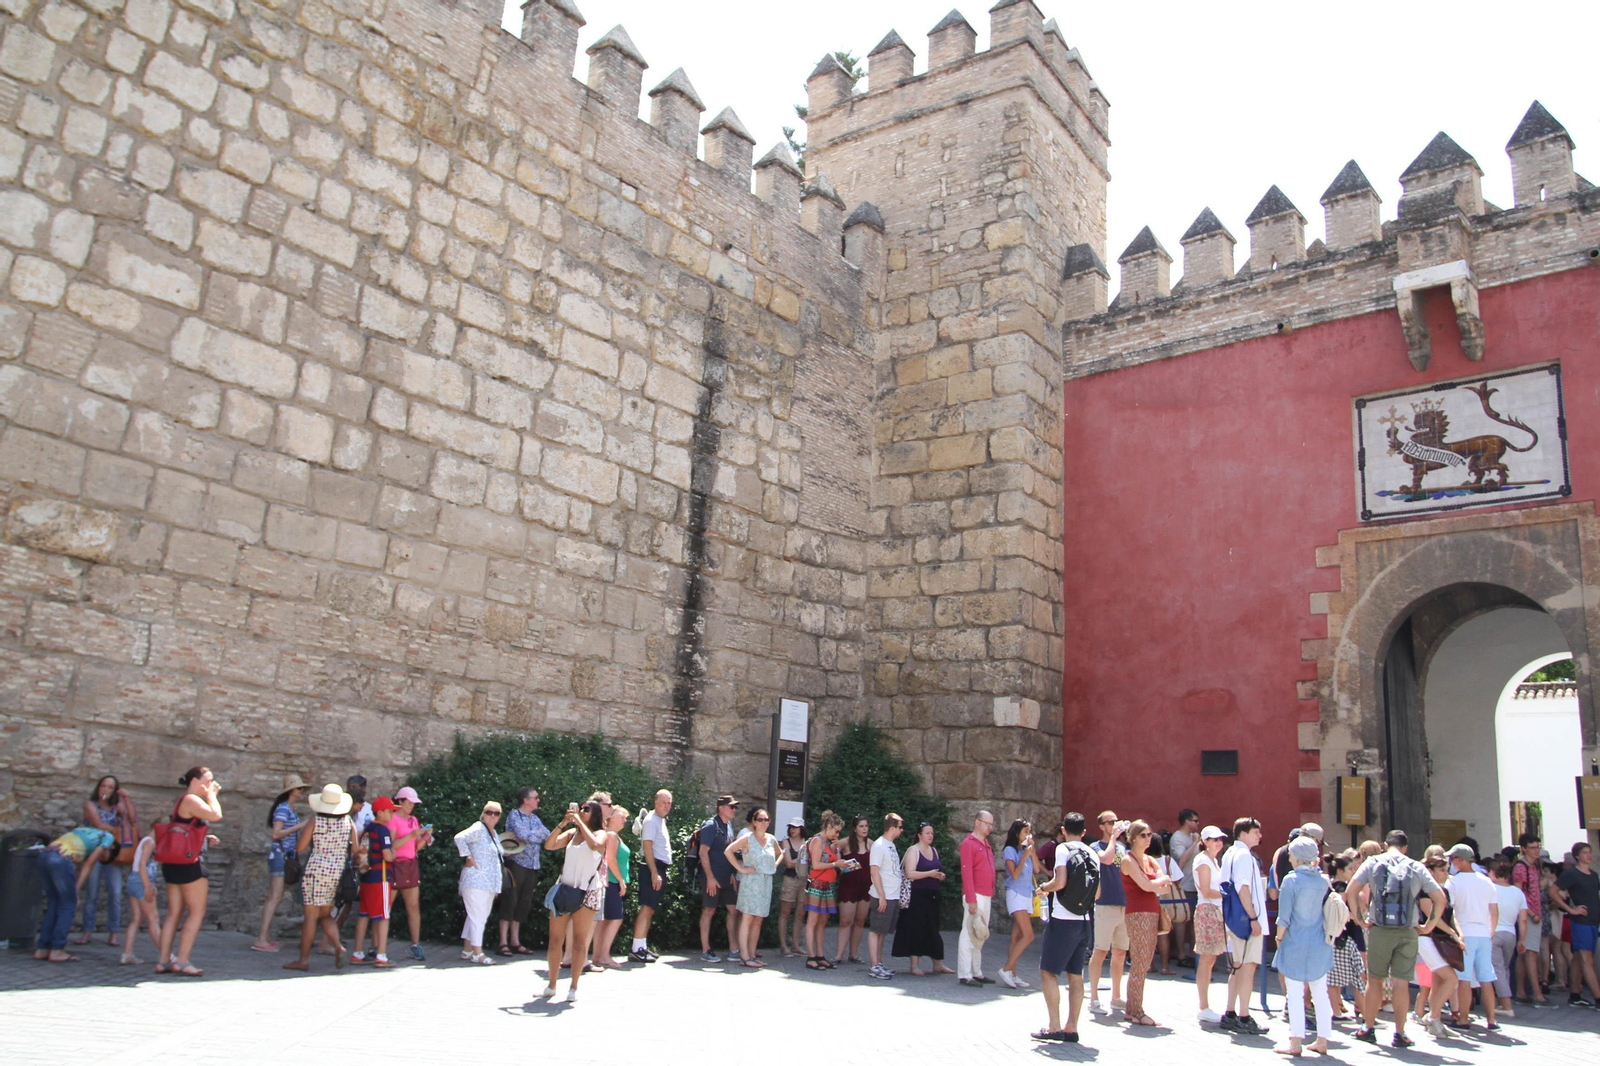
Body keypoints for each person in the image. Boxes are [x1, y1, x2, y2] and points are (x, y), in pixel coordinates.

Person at [1345, 829, 1447, 1047]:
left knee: (1375, 980)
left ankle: (1368, 1028)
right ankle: (1400, 1033)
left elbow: (1351, 891)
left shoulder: (1373, 862)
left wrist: (1359, 918)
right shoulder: (1416, 866)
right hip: (1408, 931)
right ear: (1406, 847)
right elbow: (1440, 898)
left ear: (1384, 844)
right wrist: (1428, 926)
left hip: (1379, 929)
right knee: (1401, 983)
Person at [1032, 814, 1095, 1043]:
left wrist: (1043, 888)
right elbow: (1097, 892)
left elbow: (1060, 882)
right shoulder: (1093, 853)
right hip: (1085, 919)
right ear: (1084, 832)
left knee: (1048, 971)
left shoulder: (1063, 849)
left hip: (1063, 918)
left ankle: (1054, 1026)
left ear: (1064, 830)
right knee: (1076, 975)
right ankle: (1072, 1028)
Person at [539, 799, 608, 1004]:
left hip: (587, 892)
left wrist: (580, 822)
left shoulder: (600, 834)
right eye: (581, 808)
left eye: (586, 809)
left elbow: (596, 846)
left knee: (579, 941)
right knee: (555, 940)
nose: (582, 811)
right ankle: (552, 985)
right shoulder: (571, 834)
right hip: (565, 888)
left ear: (594, 814)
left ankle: (573, 986)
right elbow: (549, 845)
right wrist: (564, 823)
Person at [156, 766, 222, 977]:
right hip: (189, 863)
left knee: (174, 912)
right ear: (195, 780)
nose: (211, 784)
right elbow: (215, 815)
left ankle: (164, 961)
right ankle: (182, 961)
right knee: (196, 911)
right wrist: (213, 796)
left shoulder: (182, 802)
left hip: (173, 862)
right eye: (208, 780)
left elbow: (186, 828)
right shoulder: (192, 800)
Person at [283, 783, 357, 971]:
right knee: (325, 914)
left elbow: (300, 847)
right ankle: (338, 946)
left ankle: (303, 960)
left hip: (316, 870)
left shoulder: (316, 821)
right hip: (336, 872)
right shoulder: (349, 822)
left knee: (310, 916)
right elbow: (355, 851)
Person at [1273, 837, 1334, 1056]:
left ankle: (1296, 1042)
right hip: (1319, 941)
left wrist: (1279, 939)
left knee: (1295, 993)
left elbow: (1284, 917)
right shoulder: (1322, 881)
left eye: (1291, 854)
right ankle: (1322, 1040)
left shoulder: (1291, 880)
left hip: (1295, 942)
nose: (1289, 857)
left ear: (1297, 857)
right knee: (1320, 992)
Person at [33, 826, 118, 962]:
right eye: (104, 857)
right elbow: (88, 865)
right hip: (61, 858)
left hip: (45, 855)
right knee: (68, 905)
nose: (101, 857)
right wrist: (75, 891)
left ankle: (42, 949)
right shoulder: (108, 838)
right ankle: (57, 950)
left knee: (54, 903)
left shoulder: (86, 830)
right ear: (112, 848)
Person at [1119, 819, 1171, 1027]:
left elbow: (1164, 887)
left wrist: (1155, 883)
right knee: (1140, 962)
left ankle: (1133, 1009)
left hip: (1152, 911)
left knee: (1144, 961)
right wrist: (1157, 882)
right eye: (1143, 835)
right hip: (1137, 912)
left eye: (1149, 835)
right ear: (1132, 837)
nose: (1148, 839)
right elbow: (1147, 885)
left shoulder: (1150, 860)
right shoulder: (1128, 860)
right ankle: (1135, 1010)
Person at [1220, 816, 1268, 1034]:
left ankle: (1230, 1013)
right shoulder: (1244, 856)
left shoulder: (1230, 853)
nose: (1260, 836)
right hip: (1245, 919)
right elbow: (1243, 887)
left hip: (1233, 916)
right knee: (1248, 967)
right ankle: (1244, 1016)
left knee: (1238, 966)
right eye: (1256, 832)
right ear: (1244, 833)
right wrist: (1253, 917)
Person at [1446, 842, 1500, 1028]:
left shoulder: (1453, 882)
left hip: (1466, 934)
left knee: (1465, 979)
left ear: (1461, 860)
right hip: (1484, 933)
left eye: (1453, 859)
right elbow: (1494, 910)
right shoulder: (1486, 881)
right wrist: (1491, 931)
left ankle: (1463, 1018)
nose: (1451, 862)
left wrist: (1456, 933)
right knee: (1486, 978)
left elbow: (1451, 911)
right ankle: (1491, 1020)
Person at [253, 774, 307, 952]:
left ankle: (265, 937)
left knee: (275, 896)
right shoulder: (284, 809)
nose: (302, 791)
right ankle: (261, 939)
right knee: (274, 897)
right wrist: (300, 826)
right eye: (299, 788)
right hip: (280, 855)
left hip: (284, 855)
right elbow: (276, 833)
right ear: (291, 790)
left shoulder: (287, 808)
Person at [1414, 851, 1465, 1038]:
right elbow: (1431, 916)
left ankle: (1436, 1021)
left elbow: (1452, 916)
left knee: (1438, 981)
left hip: (1441, 940)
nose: (1446, 873)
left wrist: (1459, 934)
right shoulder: (1424, 890)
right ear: (1431, 871)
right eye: (1442, 870)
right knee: (1451, 979)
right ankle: (1432, 1017)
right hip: (1427, 938)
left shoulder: (1443, 891)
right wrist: (1453, 933)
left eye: (1447, 870)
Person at [78, 775, 133, 946]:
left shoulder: (117, 806)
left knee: (115, 893)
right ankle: (87, 932)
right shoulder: (90, 805)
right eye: (103, 786)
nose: (106, 790)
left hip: (113, 854)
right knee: (91, 894)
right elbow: (99, 825)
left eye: (110, 787)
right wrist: (119, 831)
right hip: (95, 851)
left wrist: (126, 800)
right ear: (98, 787)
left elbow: (132, 821)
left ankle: (113, 932)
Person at [893, 822, 954, 975]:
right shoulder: (913, 851)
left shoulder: (934, 850)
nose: (930, 836)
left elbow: (936, 870)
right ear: (919, 835)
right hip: (917, 895)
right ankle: (914, 966)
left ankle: (938, 963)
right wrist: (929, 874)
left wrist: (939, 876)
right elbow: (910, 874)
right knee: (916, 928)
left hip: (933, 895)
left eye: (932, 833)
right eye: (927, 833)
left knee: (933, 928)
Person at [497, 786, 551, 957]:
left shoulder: (534, 818)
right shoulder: (515, 815)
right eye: (535, 797)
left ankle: (515, 941)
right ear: (525, 800)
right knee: (510, 900)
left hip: (532, 865)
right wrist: (534, 835)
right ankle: (502, 942)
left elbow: (547, 835)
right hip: (517, 863)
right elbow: (522, 835)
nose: (538, 800)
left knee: (523, 903)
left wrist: (530, 835)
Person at [1087, 811, 1129, 1013]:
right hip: (1105, 904)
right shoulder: (1096, 847)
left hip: (1123, 904)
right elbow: (1106, 859)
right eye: (1110, 822)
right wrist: (1113, 838)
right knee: (1101, 951)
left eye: (1116, 820)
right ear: (1102, 826)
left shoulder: (1122, 847)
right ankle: (1094, 997)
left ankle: (1116, 996)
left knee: (1120, 951)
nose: (1115, 824)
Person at [726, 806, 779, 968]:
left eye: (766, 820)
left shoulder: (771, 839)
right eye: (760, 819)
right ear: (754, 822)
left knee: (758, 919)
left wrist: (774, 866)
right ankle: (744, 956)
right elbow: (728, 851)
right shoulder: (747, 838)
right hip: (751, 882)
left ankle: (752, 954)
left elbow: (780, 853)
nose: (764, 822)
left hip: (765, 883)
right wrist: (741, 869)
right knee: (748, 918)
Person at [454, 800, 504, 965]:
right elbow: (459, 838)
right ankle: (478, 953)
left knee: (474, 916)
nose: (492, 816)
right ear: (483, 813)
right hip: (476, 880)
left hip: (488, 883)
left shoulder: (494, 834)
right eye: (489, 812)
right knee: (478, 917)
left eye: (496, 813)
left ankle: (467, 949)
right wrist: (467, 856)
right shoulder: (479, 828)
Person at [386, 786, 432, 961]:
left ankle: (416, 944)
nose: (412, 805)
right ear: (400, 801)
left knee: (413, 907)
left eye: (414, 803)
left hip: (411, 864)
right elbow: (391, 845)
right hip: (396, 865)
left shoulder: (413, 820)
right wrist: (411, 835)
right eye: (409, 802)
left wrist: (425, 837)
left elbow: (415, 848)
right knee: (386, 907)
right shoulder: (393, 819)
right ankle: (377, 946)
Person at [350, 796, 397, 967]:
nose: (392, 814)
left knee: (364, 915)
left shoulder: (367, 828)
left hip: (366, 876)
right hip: (381, 877)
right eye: (390, 811)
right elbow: (387, 856)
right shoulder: (383, 830)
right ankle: (382, 955)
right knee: (384, 916)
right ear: (381, 812)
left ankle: (357, 952)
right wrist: (393, 853)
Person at [697, 794, 742, 963]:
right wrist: (709, 878)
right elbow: (703, 852)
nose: (734, 810)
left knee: (733, 910)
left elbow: (728, 852)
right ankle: (706, 950)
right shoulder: (711, 826)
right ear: (721, 808)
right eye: (732, 807)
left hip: (726, 878)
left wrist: (731, 873)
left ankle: (734, 949)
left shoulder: (728, 826)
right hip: (712, 878)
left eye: (735, 807)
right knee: (709, 911)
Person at [1192, 824, 1229, 1023]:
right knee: (1207, 958)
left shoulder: (1214, 861)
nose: (1218, 842)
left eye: (1220, 839)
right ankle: (1203, 1006)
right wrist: (1229, 894)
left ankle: (1205, 1005)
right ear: (1205, 842)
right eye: (1214, 839)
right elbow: (1206, 891)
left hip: (1215, 910)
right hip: (1207, 910)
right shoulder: (1203, 860)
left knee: (1211, 958)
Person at [1556, 841, 1600, 1006]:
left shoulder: (1594, 875)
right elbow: (1554, 892)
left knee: (1578, 958)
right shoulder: (1571, 874)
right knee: (1586, 958)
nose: (1589, 855)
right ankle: (1598, 998)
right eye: (1585, 853)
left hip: (1593, 921)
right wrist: (1570, 909)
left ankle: (1575, 994)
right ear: (1577, 856)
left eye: (1590, 852)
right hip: (1580, 921)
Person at [631, 789, 672, 963]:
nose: (667, 806)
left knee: (651, 908)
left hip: (657, 868)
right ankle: (636, 948)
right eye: (664, 802)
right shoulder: (651, 820)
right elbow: (647, 847)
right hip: (651, 868)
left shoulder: (659, 820)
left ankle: (642, 946)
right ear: (655, 802)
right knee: (646, 907)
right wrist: (654, 873)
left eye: (669, 803)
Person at [589, 805, 631, 969]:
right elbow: (611, 860)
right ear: (612, 817)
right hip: (611, 881)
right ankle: (604, 955)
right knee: (615, 918)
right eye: (622, 816)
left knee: (604, 920)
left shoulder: (612, 835)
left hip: (610, 881)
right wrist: (621, 879)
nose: (625, 820)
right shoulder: (611, 836)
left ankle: (598, 956)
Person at [957, 809, 997, 987]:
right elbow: (966, 873)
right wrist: (971, 899)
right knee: (968, 933)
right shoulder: (969, 843)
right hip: (976, 894)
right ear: (977, 822)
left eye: (991, 824)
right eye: (987, 824)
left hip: (985, 893)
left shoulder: (985, 843)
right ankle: (965, 973)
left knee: (979, 934)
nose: (990, 827)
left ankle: (976, 971)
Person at [804, 810, 848, 970]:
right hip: (817, 883)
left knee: (822, 921)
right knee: (813, 921)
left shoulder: (830, 843)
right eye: (836, 831)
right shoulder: (817, 840)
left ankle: (820, 955)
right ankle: (811, 956)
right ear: (829, 826)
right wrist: (836, 864)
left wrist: (837, 851)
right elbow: (816, 865)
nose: (837, 834)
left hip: (828, 883)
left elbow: (835, 861)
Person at [866, 812, 904, 980]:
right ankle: (874, 966)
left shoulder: (890, 845)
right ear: (892, 828)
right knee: (875, 930)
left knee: (882, 932)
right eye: (900, 827)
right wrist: (881, 895)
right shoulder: (879, 845)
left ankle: (879, 963)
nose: (902, 830)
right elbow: (874, 872)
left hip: (892, 895)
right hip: (883, 895)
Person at [1510, 833, 1547, 1004]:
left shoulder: (1534, 866)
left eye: (1538, 847)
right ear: (1523, 849)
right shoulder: (1521, 867)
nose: (1536, 851)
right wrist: (1531, 913)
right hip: (1529, 915)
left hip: (1535, 913)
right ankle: (1536, 992)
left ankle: (1521, 991)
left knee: (1525, 953)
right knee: (1531, 953)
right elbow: (1518, 893)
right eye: (1532, 848)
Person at [999, 818, 1036, 989]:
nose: (1027, 835)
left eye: (1029, 832)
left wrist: (1031, 851)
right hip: (1015, 894)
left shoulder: (1025, 850)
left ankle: (1012, 974)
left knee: (1017, 936)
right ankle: (1006, 969)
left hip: (1027, 894)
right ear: (1016, 833)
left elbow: (1036, 869)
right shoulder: (1009, 850)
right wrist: (1025, 856)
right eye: (1025, 832)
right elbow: (1014, 874)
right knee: (1029, 935)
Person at [1488, 858, 1526, 1017]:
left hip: (1494, 932)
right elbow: (1523, 919)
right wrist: (1522, 939)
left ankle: (1506, 1004)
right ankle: (1504, 1002)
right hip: (1511, 933)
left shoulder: (1491, 889)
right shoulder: (1518, 892)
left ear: (1494, 873)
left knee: (1497, 969)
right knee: (1504, 968)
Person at [833, 814, 872, 965]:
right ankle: (838, 955)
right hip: (849, 886)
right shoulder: (847, 842)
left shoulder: (871, 844)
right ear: (855, 829)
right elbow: (831, 850)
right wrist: (838, 862)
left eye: (866, 826)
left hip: (866, 887)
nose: (864, 829)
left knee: (860, 921)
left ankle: (854, 954)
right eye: (861, 826)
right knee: (845, 920)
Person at [119, 823, 160, 965]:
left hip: (134, 880)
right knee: (153, 919)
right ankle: (167, 956)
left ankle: (127, 953)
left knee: (136, 919)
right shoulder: (150, 842)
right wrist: (148, 886)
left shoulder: (146, 841)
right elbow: (143, 865)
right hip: (140, 881)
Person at [1169, 808, 1201, 967]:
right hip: (1183, 885)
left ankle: (1194, 953)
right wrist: (1195, 843)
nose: (1197, 824)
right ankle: (1180, 953)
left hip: (1195, 885)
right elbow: (1181, 861)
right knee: (1181, 920)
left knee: (1195, 921)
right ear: (1187, 821)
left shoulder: (1192, 836)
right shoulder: (1178, 838)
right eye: (1195, 820)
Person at [1149, 833, 1184, 975]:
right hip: (1166, 901)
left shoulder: (1144, 861)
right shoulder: (1168, 861)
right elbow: (1178, 879)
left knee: (1149, 935)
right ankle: (1165, 967)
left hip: (1149, 899)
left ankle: (1150, 965)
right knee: (1163, 935)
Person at [778, 817, 809, 957]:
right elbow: (788, 863)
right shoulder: (786, 842)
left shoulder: (806, 843)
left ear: (801, 828)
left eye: (795, 827)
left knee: (800, 914)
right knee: (785, 912)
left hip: (804, 880)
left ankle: (796, 945)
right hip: (790, 879)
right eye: (790, 827)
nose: (792, 829)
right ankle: (783, 945)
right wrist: (804, 859)